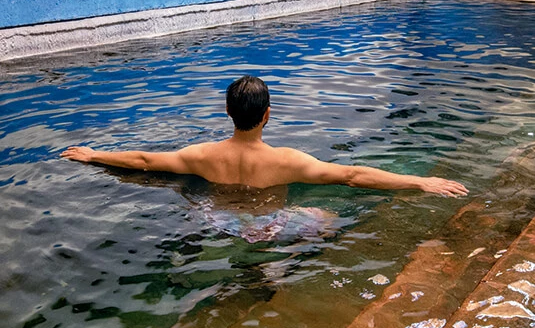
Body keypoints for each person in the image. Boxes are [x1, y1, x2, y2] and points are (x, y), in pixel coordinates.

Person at [61, 75, 468, 197]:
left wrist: (95, 154)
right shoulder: (288, 161)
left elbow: (146, 161)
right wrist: (420, 180)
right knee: (323, 219)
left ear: (227, 112)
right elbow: (353, 175)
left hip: (215, 221)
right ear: (268, 115)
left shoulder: (200, 156)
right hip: (267, 226)